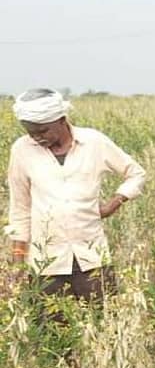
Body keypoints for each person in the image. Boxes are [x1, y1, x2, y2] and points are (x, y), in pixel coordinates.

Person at [6, 88, 146, 301]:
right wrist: (18, 262)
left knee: (102, 321)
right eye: (30, 132)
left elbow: (136, 174)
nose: (36, 137)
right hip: (46, 262)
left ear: (62, 120)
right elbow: (20, 208)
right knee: (52, 330)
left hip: (92, 256)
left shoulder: (94, 142)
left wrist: (113, 204)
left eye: (43, 131)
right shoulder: (22, 150)